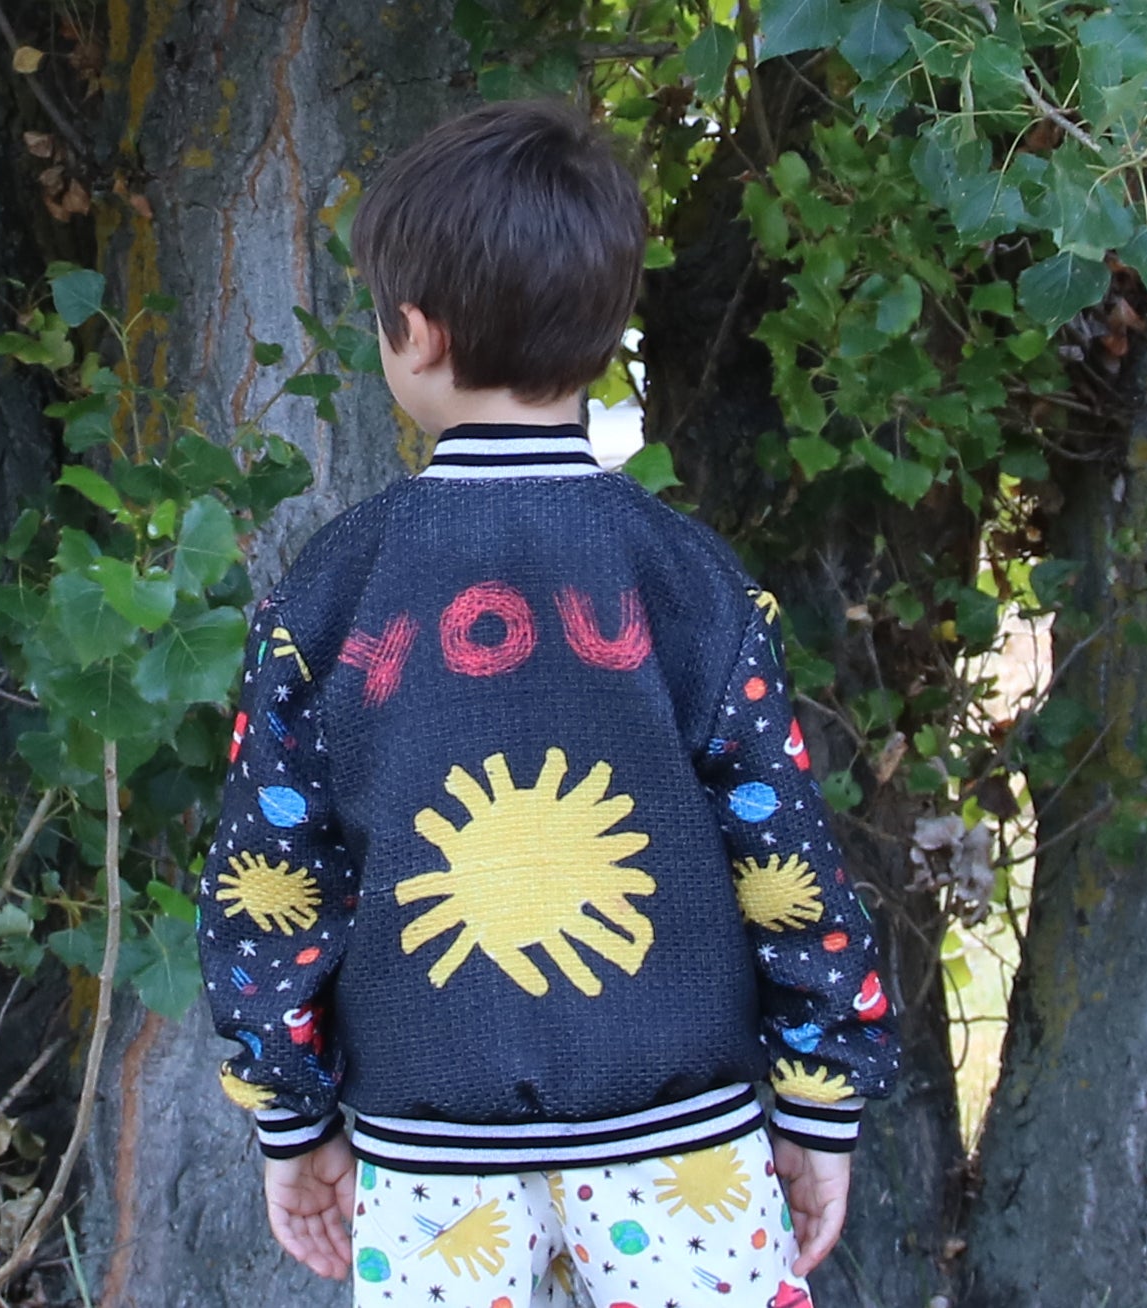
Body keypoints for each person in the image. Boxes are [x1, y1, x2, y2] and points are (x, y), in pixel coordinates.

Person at [195, 99, 899, 1308]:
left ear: (414, 332)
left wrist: (288, 1114)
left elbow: (272, 878)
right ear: (603, 330)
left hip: (430, 1152)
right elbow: (782, 851)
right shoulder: (690, 582)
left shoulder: (330, 593)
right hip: (684, 1140)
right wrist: (819, 1097)